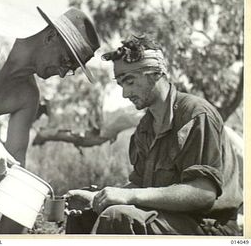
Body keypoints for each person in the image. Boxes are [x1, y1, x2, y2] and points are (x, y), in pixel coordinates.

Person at [0, 6, 100, 234]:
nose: (64, 73)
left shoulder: (28, 96)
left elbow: (16, 164)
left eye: (72, 69)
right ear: (51, 37)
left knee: (16, 207)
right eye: (66, 60)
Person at [64, 35, 243, 235]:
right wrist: (98, 197)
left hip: (209, 226)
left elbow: (203, 193)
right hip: (166, 217)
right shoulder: (145, 127)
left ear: (154, 73)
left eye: (130, 81)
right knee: (84, 216)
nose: (125, 93)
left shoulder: (195, 114)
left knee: (117, 217)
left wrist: (129, 197)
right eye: (121, 83)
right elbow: (140, 186)